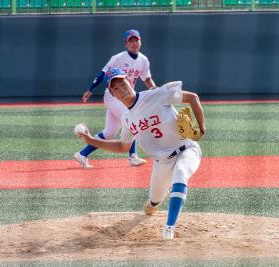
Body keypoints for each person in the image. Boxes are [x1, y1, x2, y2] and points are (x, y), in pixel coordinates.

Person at [76, 68, 205, 239]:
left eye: (123, 84)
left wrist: (202, 127)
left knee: (181, 173)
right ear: (113, 96)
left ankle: (169, 228)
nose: (121, 89)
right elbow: (123, 146)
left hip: (188, 149)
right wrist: (91, 140)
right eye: (115, 89)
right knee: (155, 198)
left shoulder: (156, 94)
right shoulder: (127, 118)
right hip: (162, 162)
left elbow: (192, 97)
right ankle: (153, 204)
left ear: (130, 82)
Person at [74, 29, 157, 169]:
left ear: (140, 42)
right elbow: (102, 73)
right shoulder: (118, 57)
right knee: (133, 118)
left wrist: (156, 92)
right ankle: (132, 156)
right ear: (125, 44)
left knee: (110, 132)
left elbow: (147, 79)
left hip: (127, 97)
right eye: (130, 41)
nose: (134, 43)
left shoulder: (143, 60)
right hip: (113, 97)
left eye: (136, 40)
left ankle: (82, 154)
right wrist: (90, 89)